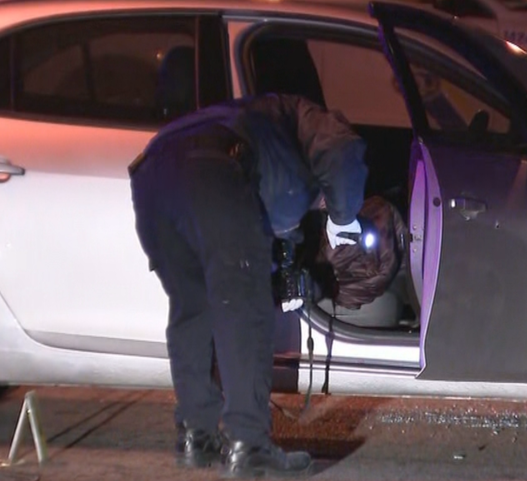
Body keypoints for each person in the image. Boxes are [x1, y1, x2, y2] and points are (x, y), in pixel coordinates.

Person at [128, 92, 368, 477]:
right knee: (244, 309)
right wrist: (344, 219)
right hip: (211, 168)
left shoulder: (260, 130)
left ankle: (197, 435)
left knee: (194, 310)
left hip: (151, 180)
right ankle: (249, 444)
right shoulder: (305, 117)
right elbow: (343, 149)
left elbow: (248, 235)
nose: (320, 207)